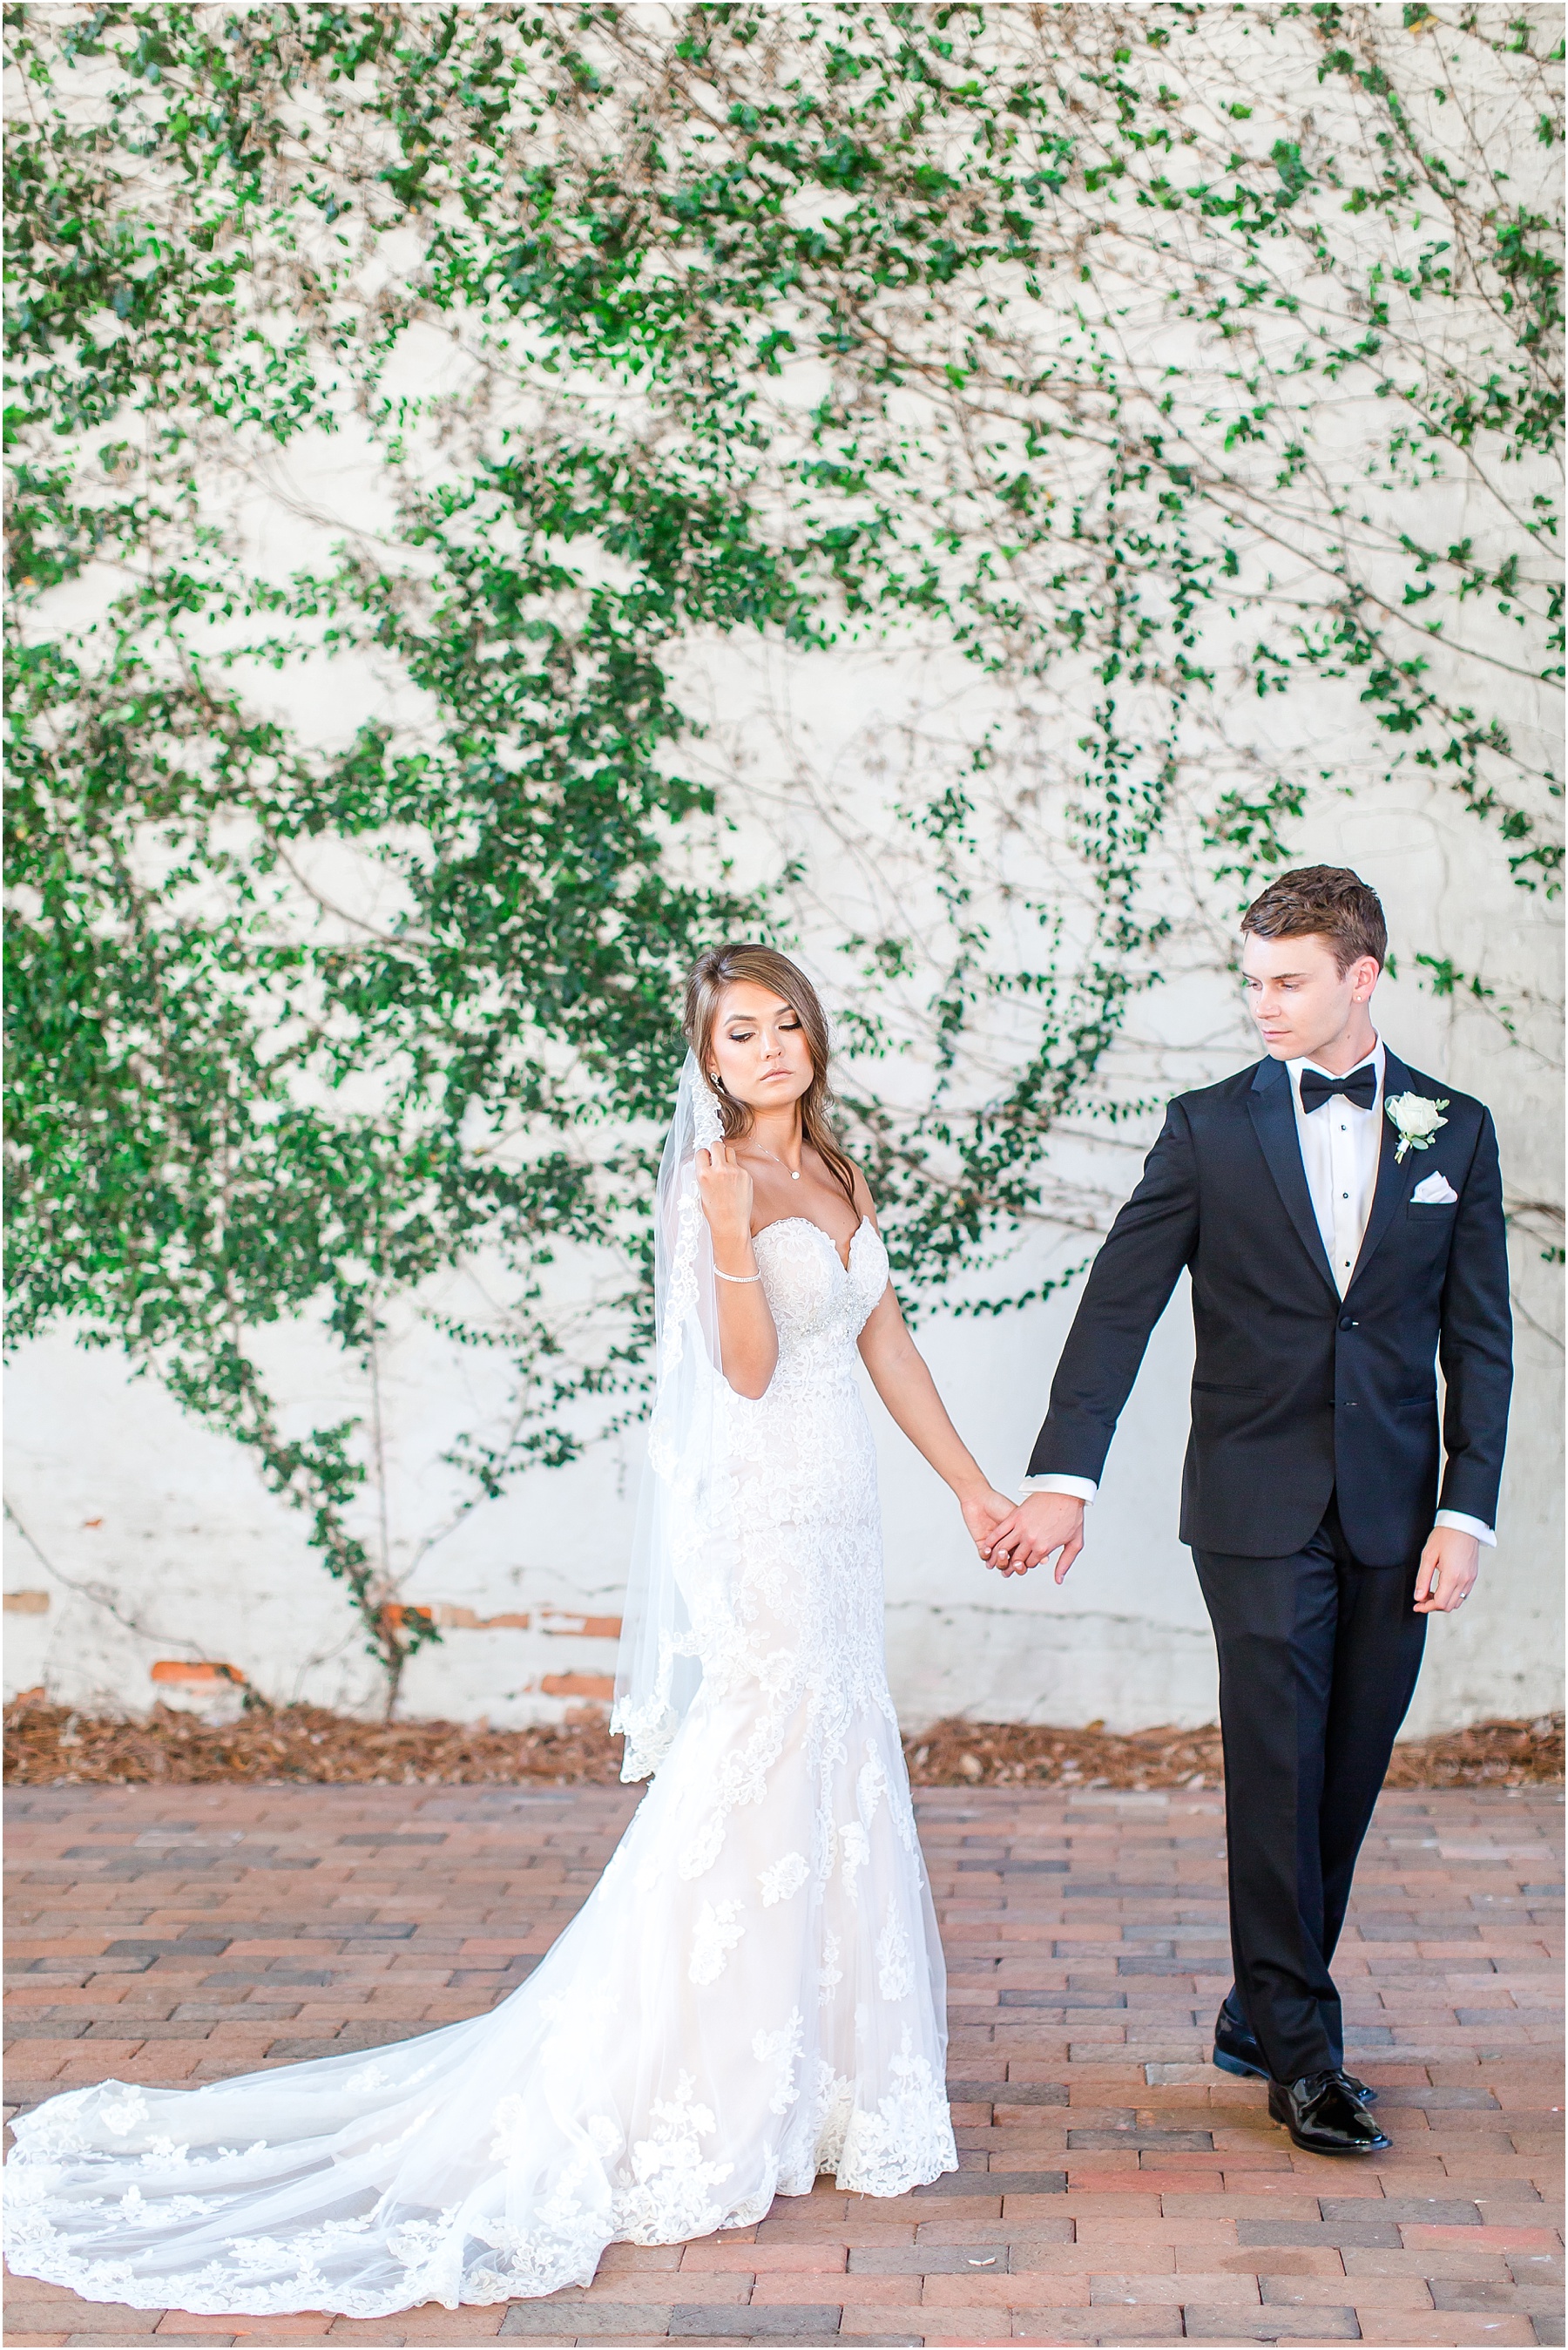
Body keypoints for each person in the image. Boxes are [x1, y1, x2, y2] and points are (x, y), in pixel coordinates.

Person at [5, 942, 1014, 2320]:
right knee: (757, 1766)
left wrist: (972, 1487)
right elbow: (749, 1369)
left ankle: (825, 2080)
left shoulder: (838, 1171)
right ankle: (687, 2074)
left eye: (788, 1024)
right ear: (708, 1061)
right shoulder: (715, 1182)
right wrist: (726, 1236)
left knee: (829, 1760)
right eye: (742, 1033)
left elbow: (884, 1341)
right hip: (765, 1512)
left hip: (846, 1513)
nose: (773, 1048)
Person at [982, 866, 1512, 2157]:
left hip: (1398, 1512)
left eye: (1289, 981)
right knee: (1277, 1767)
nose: (1263, 1004)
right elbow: (1121, 1303)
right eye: (1255, 980)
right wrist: (1066, 1477)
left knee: (1346, 1771)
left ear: (1360, 976)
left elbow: (1479, 1343)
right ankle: (1305, 2056)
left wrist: (1468, 1512)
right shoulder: (1209, 1127)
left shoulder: (1458, 1129)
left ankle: (1255, 2009)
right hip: (1254, 1504)